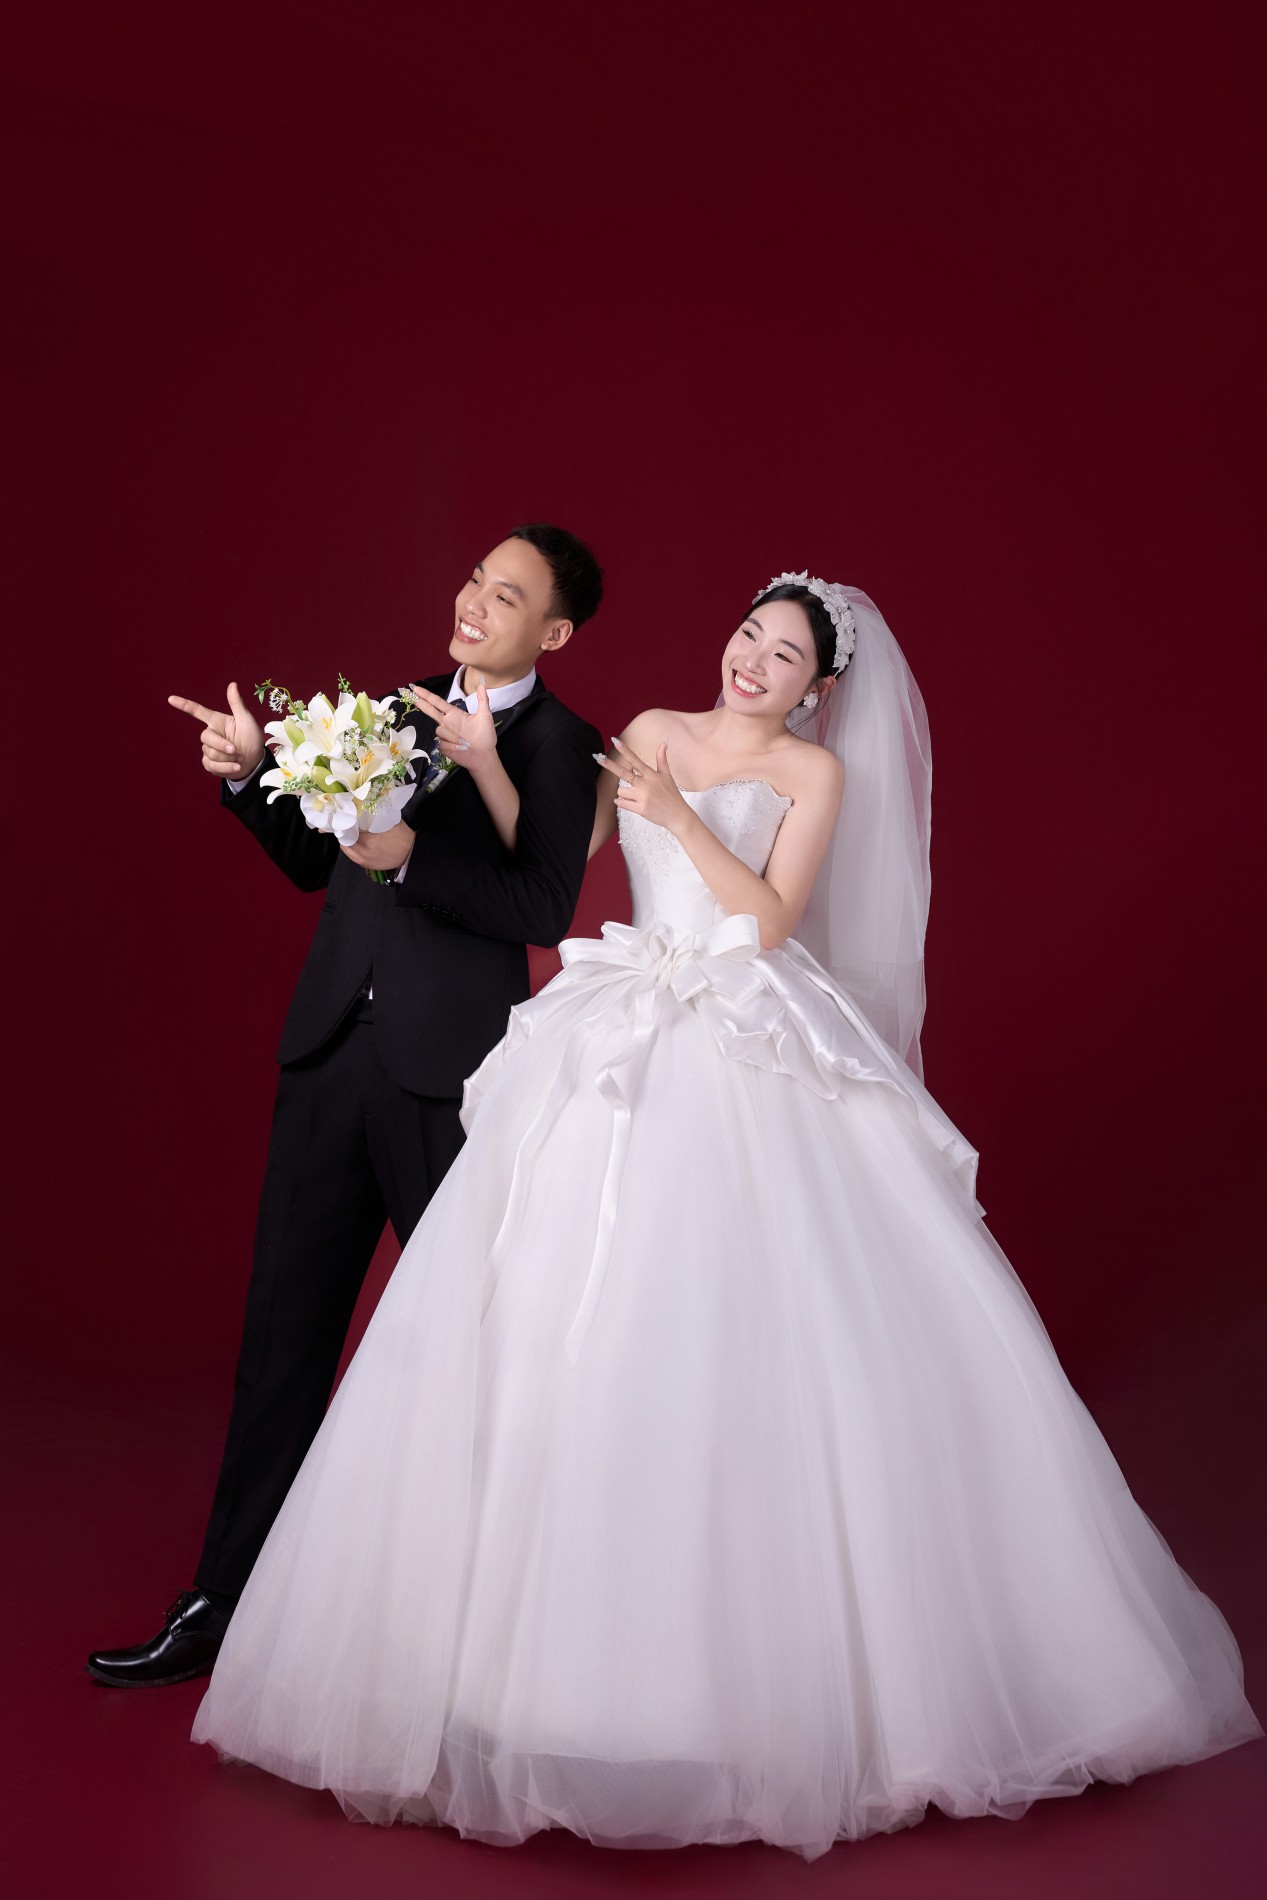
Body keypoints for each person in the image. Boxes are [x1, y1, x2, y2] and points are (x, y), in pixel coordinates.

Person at [189, 576, 1259, 1858]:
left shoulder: (813, 774)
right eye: (751, 634)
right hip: (619, 1014)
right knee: (557, 1328)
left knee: (751, 1336)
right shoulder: (649, 727)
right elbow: (554, 867)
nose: (752, 660)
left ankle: (764, 1690)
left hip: (743, 1026)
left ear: (817, 687)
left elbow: (768, 918)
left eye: (784, 655)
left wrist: (683, 819)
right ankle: (526, 1680)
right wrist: (480, 766)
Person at [87, 524, 604, 1688]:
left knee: (475, 1352)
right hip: (328, 1053)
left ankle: (489, 1637)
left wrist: (411, 853)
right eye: (474, 579)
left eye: (507, 595)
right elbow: (316, 855)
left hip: (449, 1079)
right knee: (281, 1341)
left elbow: (542, 903)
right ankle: (220, 1606)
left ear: (554, 632)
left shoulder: (564, 745)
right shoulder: (396, 704)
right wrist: (246, 775)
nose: (474, 602)